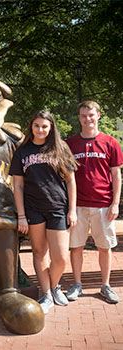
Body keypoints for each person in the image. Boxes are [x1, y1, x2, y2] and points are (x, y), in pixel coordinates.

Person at [10, 110, 78, 315]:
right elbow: (18, 186)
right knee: (39, 253)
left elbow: (71, 181)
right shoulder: (22, 152)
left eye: (44, 126)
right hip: (33, 209)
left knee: (60, 259)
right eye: (37, 125)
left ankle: (55, 285)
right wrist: (21, 215)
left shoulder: (61, 148)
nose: (40, 129)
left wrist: (72, 210)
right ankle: (46, 294)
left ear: (50, 128)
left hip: (58, 208)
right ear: (31, 127)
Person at [66, 101, 123, 304]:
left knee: (105, 248)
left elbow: (116, 175)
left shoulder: (110, 142)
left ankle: (106, 285)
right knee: (76, 247)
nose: (87, 119)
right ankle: (77, 285)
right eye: (83, 115)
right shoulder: (70, 143)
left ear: (98, 115)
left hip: (104, 205)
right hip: (78, 205)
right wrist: (69, 208)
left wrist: (115, 203)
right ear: (79, 117)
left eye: (91, 115)